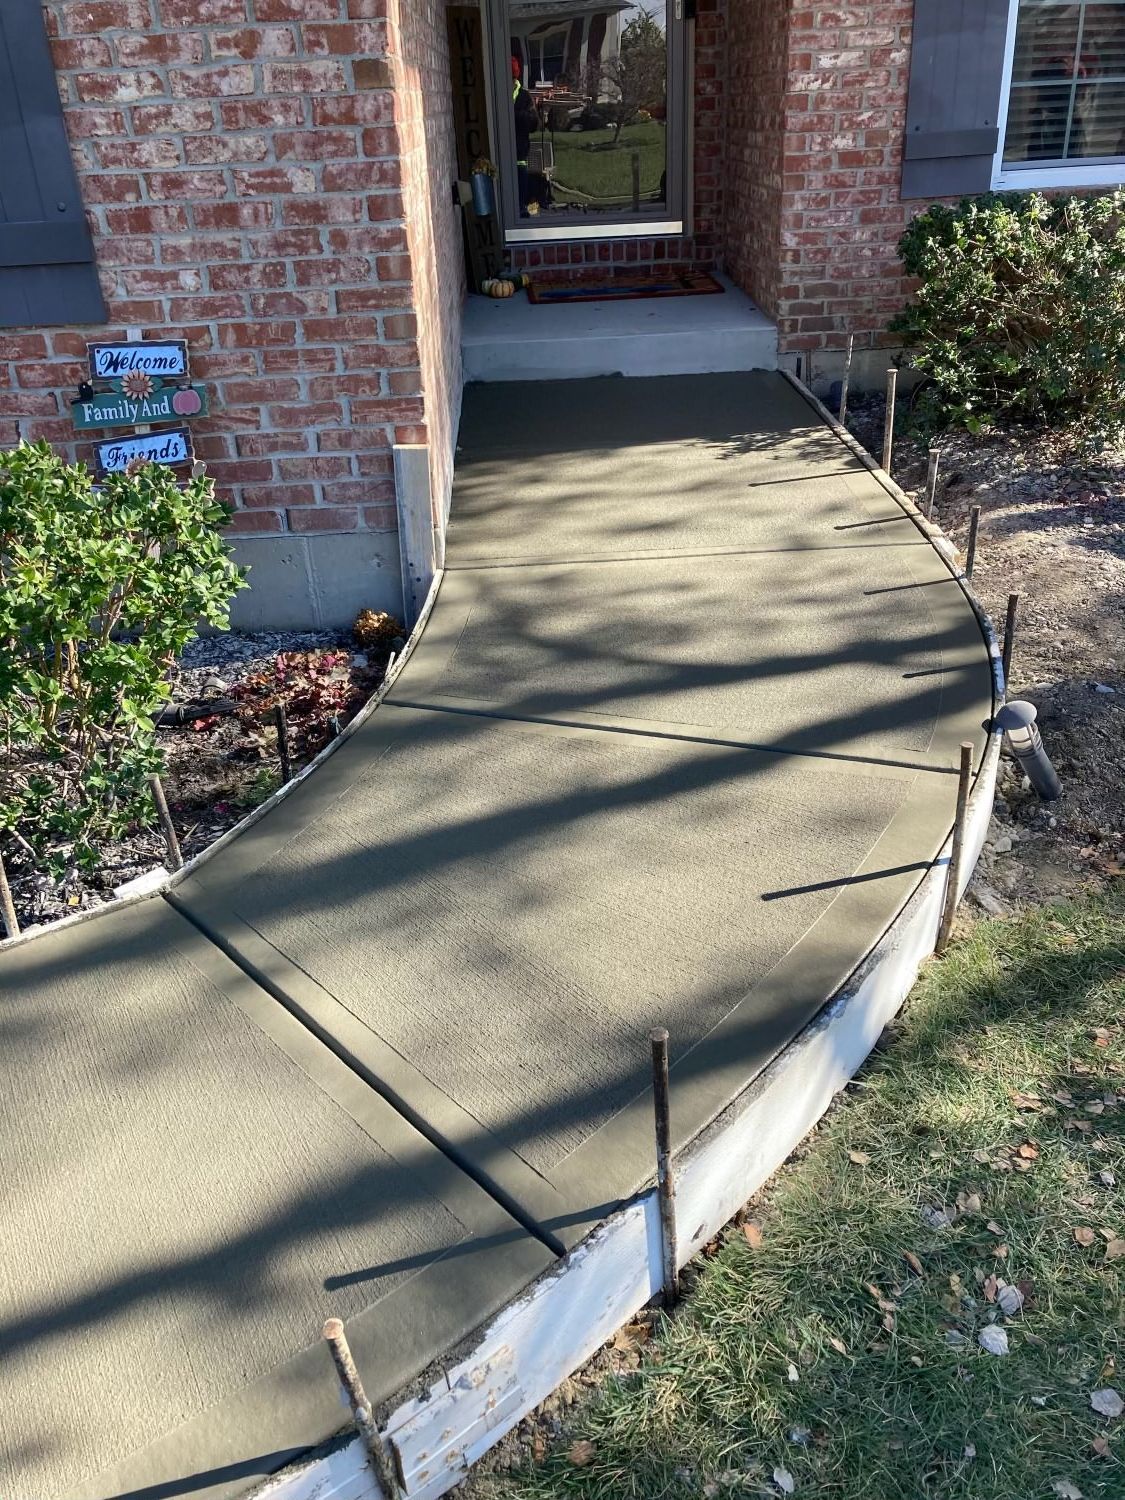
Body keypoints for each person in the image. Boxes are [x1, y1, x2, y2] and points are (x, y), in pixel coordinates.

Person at [511, 55, 539, 213]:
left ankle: (524, 212)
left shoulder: (524, 96)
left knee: (521, 201)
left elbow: (534, 124)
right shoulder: (499, 94)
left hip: (519, 157)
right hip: (502, 158)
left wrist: (514, 114)